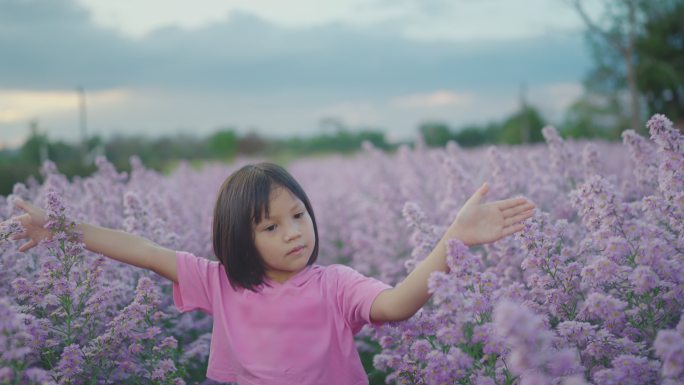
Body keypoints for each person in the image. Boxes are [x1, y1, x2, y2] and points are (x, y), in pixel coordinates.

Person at [7, 162, 535, 385]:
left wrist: (454, 239)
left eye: (299, 216)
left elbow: (397, 304)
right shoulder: (221, 282)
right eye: (270, 226)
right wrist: (58, 226)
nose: (292, 233)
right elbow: (140, 248)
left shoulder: (335, 284)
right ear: (241, 238)